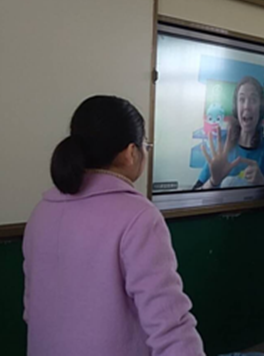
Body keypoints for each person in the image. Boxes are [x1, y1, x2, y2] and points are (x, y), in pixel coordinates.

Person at [23, 95, 204, 356]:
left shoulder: (41, 212)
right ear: (131, 153)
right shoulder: (139, 217)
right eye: (145, 146)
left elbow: (32, 310)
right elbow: (168, 324)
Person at [195, 76, 264, 189]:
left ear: (261, 109)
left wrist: (262, 182)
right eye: (242, 99)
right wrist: (213, 181)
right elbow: (195, 192)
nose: (247, 106)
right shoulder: (222, 144)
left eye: (253, 100)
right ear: (236, 108)